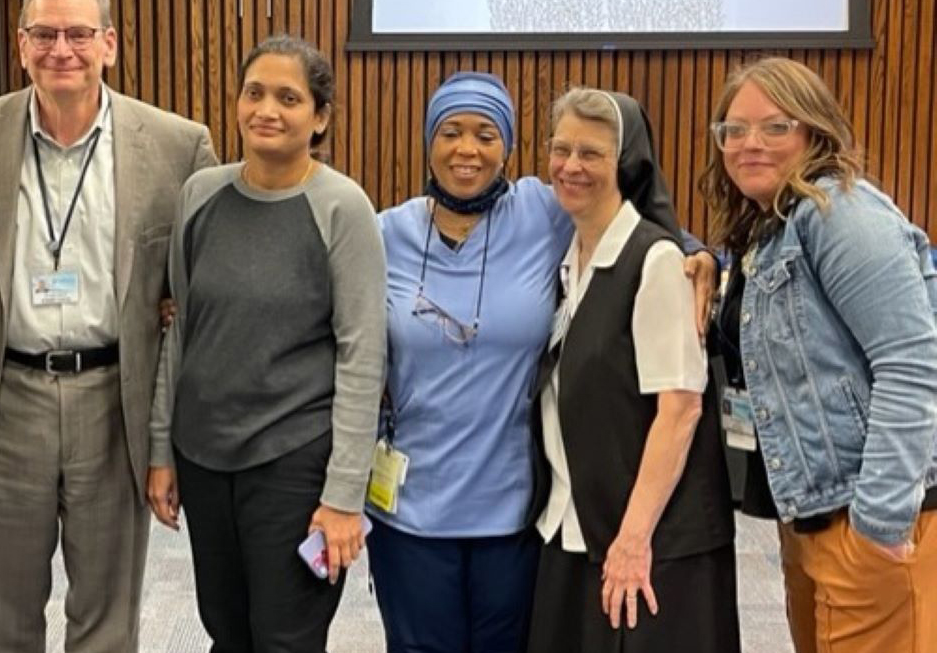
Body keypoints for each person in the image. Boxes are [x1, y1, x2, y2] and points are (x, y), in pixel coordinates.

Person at [367, 72, 717, 653]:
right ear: (428, 141)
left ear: (507, 146)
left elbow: (627, 221)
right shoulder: (385, 232)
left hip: (516, 512)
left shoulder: (541, 210)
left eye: (486, 135)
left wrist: (695, 251)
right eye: (450, 132)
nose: (467, 149)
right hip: (410, 509)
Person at [0, 0, 217, 653]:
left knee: (106, 618)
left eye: (77, 34)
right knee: (3, 616)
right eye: (44, 35)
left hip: (114, 401)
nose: (60, 50)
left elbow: (202, 281)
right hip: (8, 400)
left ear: (110, 43)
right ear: (21, 45)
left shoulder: (176, 145)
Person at [147, 34, 387, 653]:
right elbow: (182, 330)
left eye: (288, 98)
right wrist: (161, 449)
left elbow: (363, 358)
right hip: (204, 458)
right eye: (254, 93)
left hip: (294, 461)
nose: (267, 110)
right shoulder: (200, 195)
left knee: (285, 639)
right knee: (226, 631)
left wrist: (343, 495)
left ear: (320, 117)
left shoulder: (343, 208)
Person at [700, 57, 937, 653]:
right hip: (813, 515)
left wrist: (879, 521)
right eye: (734, 129)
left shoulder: (841, 213)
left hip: (872, 518)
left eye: (775, 126)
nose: (750, 143)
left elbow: (912, 362)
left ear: (815, 131)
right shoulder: (771, 227)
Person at [526, 87, 739, 653]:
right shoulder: (570, 258)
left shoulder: (657, 261)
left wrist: (634, 538)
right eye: (561, 149)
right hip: (573, 526)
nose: (571, 166)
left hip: (647, 545)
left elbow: (681, 408)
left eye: (591, 153)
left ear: (626, 162)